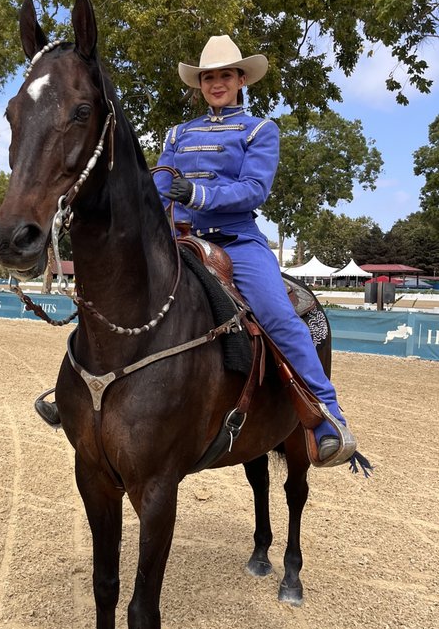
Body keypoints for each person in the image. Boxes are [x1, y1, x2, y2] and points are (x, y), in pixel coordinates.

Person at [152, 34, 356, 466]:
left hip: (237, 242)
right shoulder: (177, 133)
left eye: (225, 75)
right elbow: (158, 187)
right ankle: (81, 394)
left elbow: (253, 190)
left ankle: (327, 418)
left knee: (278, 314)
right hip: (177, 239)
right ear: (200, 84)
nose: (216, 83)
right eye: (208, 77)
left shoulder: (260, 130)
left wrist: (197, 193)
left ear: (241, 78)